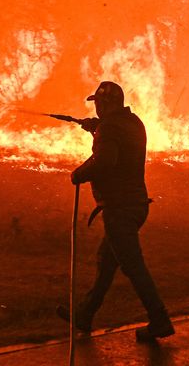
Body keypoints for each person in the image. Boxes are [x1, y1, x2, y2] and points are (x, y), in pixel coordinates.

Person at [58, 81, 175, 342]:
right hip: (135, 205)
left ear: (106, 103)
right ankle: (85, 315)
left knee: (133, 267)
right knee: (107, 262)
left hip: (119, 209)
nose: (96, 107)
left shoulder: (109, 128)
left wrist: (79, 174)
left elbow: (106, 162)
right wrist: (96, 129)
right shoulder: (133, 122)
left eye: (98, 103)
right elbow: (117, 143)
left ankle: (160, 319)